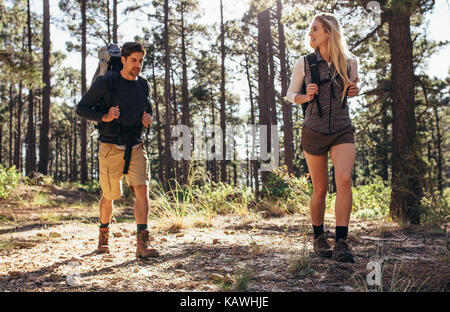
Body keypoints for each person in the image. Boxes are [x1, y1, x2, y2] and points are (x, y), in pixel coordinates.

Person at [286, 13, 359, 262]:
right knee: (320, 189)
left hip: (342, 129)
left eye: (315, 29)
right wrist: (305, 96)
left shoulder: (350, 62)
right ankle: (319, 238)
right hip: (314, 130)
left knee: (345, 179)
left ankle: (341, 241)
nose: (310, 33)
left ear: (329, 32)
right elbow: (290, 94)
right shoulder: (305, 63)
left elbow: (352, 88)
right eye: (310, 29)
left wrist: (354, 90)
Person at [76, 42, 159, 259]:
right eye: (133, 60)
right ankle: (104, 235)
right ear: (122, 60)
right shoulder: (107, 82)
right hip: (110, 146)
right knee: (110, 195)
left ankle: (142, 244)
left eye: (141, 61)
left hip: (136, 144)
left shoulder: (143, 85)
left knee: (142, 189)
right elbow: (81, 108)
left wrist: (147, 118)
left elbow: (147, 109)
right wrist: (104, 116)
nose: (138, 65)